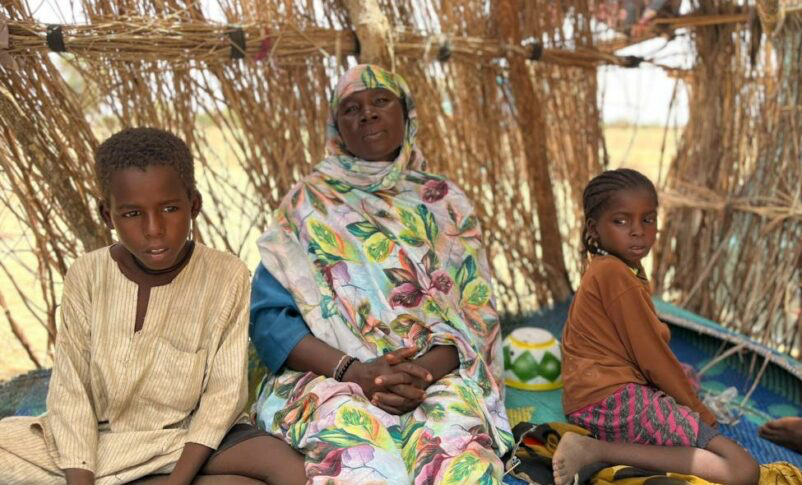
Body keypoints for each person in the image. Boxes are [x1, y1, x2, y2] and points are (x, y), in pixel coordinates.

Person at [250, 64, 512, 484]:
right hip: (330, 376)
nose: (367, 113)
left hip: (433, 375)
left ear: (406, 113)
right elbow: (271, 322)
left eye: (380, 101)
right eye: (351, 108)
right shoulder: (305, 205)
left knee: (458, 460)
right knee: (365, 464)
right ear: (336, 127)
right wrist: (355, 372)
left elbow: (475, 317)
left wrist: (415, 375)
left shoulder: (443, 202)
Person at [0, 128, 305, 484]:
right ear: (107, 215)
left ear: (194, 205)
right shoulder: (87, 275)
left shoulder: (226, 275)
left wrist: (178, 481)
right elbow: (72, 393)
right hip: (99, 441)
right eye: (132, 214)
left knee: (287, 467)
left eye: (170, 209)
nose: (154, 228)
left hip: (188, 438)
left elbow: (222, 396)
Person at [553, 168, 760, 485]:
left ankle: (606, 448)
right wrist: (699, 411)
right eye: (621, 221)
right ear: (594, 229)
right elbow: (652, 357)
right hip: (610, 402)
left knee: (685, 390)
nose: (638, 231)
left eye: (647, 219)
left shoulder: (615, 267)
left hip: (592, 397)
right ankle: (595, 450)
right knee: (742, 469)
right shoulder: (615, 275)